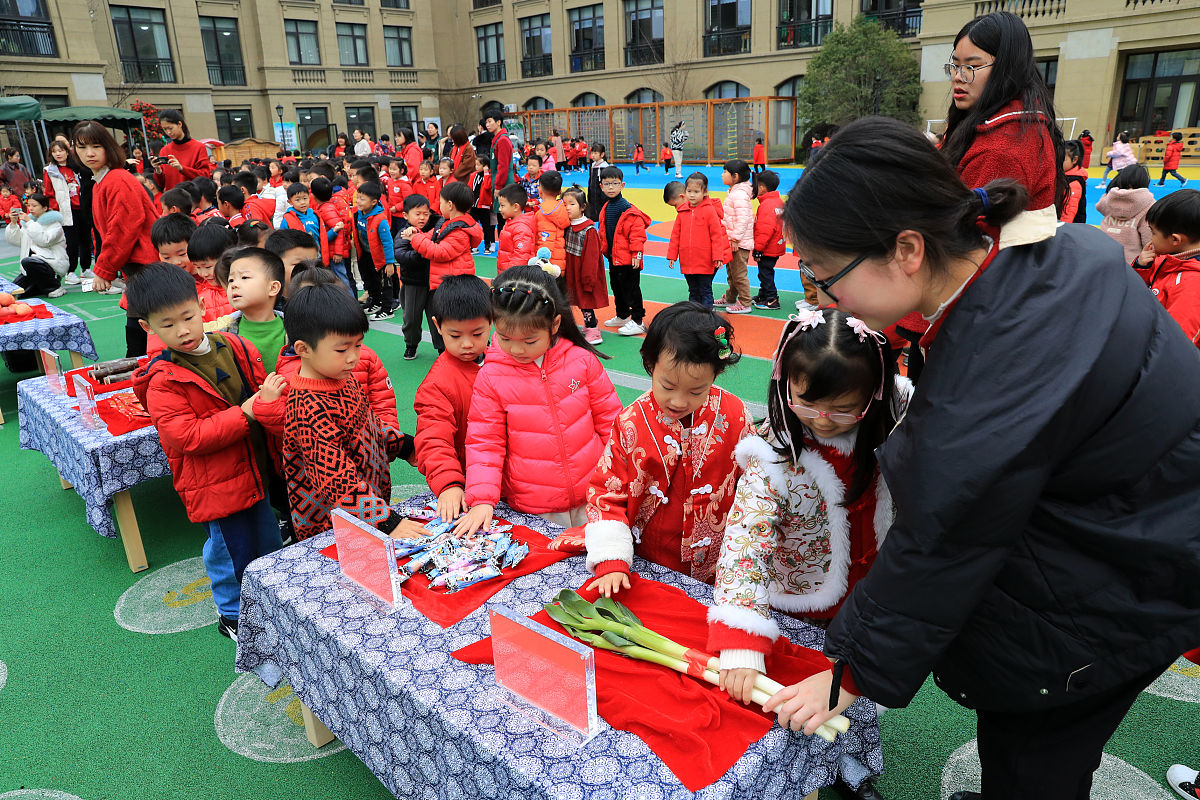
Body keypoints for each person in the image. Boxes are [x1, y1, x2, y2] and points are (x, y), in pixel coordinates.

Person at [763, 116, 1200, 800]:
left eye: (825, 274)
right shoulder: (1060, 252)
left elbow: (944, 536)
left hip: (1115, 581)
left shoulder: (988, 377)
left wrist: (849, 674)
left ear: (908, 249)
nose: (824, 296)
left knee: (1035, 750)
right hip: (1152, 527)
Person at [709, 309, 910, 682]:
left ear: (875, 394)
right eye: (805, 403)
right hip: (804, 601)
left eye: (844, 409)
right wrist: (741, 635)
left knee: (859, 683)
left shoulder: (893, 425)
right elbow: (745, 543)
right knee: (807, 682)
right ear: (783, 382)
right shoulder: (773, 457)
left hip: (873, 593)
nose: (821, 419)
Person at [129, 263, 285, 642]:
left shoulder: (233, 345)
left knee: (267, 540)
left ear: (202, 306)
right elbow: (189, 437)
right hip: (214, 484)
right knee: (229, 552)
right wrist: (246, 411)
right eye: (167, 324)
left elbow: (257, 392)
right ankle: (232, 615)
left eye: (187, 317)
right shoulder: (162, 380)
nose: (182, 330)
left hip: (254, 467)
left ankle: (273, 603)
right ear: (148, 328)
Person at [585, 302, 750, 594]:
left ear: (715, 375)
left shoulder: (735, 415)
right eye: (667, 386)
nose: (678, 401)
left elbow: (752, 485)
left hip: (720, 561)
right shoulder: (632, 422)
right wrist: (611, 558)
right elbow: (605, 492)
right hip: (650, 558)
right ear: (651, 366)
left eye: (696, 390)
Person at [454, 264, 621, 536]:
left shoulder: (582, 362)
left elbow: (611, 423)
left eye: (530, 340)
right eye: (505, 338)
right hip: (535, 506)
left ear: (554, 324)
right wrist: (482, 499)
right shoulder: (492, 376)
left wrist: (615, 478)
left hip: (593, 495)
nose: (517, 349)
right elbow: (485, 441)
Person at [277, 282, 413, 541]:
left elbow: (367, 426)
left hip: (363, 514)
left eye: (358, 345)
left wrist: (405, 446)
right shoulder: (308, 406)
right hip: (331, 528)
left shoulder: (341, 377)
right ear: (303, 349)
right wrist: (386, 522)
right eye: (342, 349)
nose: (353, 357)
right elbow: (336, 477)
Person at [940, 11, 1063, 221]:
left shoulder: (1000, 151)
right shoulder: (1020, 126)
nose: (958, 77)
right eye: (955, 65)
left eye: (973, 66)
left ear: (1007, 69)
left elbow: (966, 240)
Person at [74, 120, 159, 355]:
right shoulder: (103, 180)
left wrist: (104, 268)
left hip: (146, 266)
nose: (89, 153)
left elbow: (122, 229)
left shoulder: (117, 179)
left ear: (108, 147)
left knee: (143, 334)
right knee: (141, 331)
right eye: (81, 148)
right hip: (138, 266)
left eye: (95, 146)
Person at [414, 275, 493, 521]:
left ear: (492, 322)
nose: (467, 344)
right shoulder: (438, 383)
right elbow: (433, 439)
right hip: (471, 482)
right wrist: (449, 484)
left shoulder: (503, 361)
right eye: (455, 336)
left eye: (477, 333)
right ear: (437, 326)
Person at [403, 182, 483, 340]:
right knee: (450, 320)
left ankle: (477, 351)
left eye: (441, 202)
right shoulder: (449, 223)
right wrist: (417, 232)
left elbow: (440, 252)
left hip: (454, 284)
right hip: (448, 282)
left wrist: (415, 239)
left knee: (458, 321)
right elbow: (433, 235)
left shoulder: (459, 231)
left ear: (450, 205)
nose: (439, 206)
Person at [1134, 189, 1200, 346]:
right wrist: (1142, 266)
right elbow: (1139, 288)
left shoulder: (1192, 285)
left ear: (1175, 239)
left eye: (1153, 233)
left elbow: (1177, 343)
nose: (1150, 239)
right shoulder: (1170, 258)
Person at [597, 166, 651, 335]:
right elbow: (604, 231)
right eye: (607, 184)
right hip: (614, 258)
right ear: (601, 186)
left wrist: (637, 254)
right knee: (617, 287)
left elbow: (637, 235)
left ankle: (638, 320)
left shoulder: (627, 209)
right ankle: (622, 315)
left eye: (615, 183)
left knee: (632, 289)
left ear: (622, 185)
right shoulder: (606, 207)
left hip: (628, 260)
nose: (611, 187)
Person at [667, 172, 730, 310]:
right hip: (687, 260)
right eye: (689, 191)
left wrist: (718, 256)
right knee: (693, 291)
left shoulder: (709, 211)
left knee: (705, 290)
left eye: (696, 191)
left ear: (705, 192)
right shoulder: (682, 212)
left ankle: (707, 315)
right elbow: (675, 235)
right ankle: (694, 315)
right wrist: (672, 255)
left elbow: (716, 235)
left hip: (705, 260)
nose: (692, 195)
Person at [218, 248, 287, 373]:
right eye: (231, 280)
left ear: (273, 288)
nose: (233, 285)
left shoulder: (295, 329)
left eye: (244, 277)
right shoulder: (222, 334)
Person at [394, 193, 442, 360]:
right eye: (417, 213)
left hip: (435, 282)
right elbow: (402, 256)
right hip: (413, 283)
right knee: (412, 318)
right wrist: (423, 250)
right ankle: (411, 344)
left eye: (426, 213)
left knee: (437, 317)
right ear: (406, 215)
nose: (422, 217)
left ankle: (442, 348)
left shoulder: (435, 228)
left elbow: (442, 222)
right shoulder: (403, 233)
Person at [562, 186, 607, 345]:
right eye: (564, 204)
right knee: (571, 299)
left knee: (585, 302)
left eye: (572, 204)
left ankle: (593, 329)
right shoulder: (566, 225)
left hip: (583, 272)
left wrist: (588, 279)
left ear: (582, 207)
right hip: (570, 270)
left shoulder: (588, 229)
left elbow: (592, 258)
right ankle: (585, 327)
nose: (567, 207)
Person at [43, 140, 93, 285]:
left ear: (67, 151)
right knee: (71, 242)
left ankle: (85, 269)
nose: (58, 153)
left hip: (82, 207)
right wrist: (55, 210)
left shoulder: (76, 167)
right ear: (51, 154)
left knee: (86, 240)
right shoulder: (50, 171)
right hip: (66, 211)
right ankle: (70, 272)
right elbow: (49, 193)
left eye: (61, 150)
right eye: (55, 151)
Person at [5, 193, 67, 298]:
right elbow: (16, 241)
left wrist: (29, 222)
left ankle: (55, 286)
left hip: (51, 265)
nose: (31, 208)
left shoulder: (55, 224)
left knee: (28, 262)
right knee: (12, 292)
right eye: (29, 206)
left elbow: (44, 240)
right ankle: (40, 287)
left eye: (34, 205)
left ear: (45, 208)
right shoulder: (28, 223)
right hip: (30, 268)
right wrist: (13, 223)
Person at [354, 182, 397, 319]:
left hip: (381, 258)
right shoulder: (359, 213)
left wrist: (389, 263)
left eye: (362, 199)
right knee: (371, 281)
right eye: (358, 197)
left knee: (385, 283)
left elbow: (388, 242)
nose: (358, 201)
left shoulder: (380, 219)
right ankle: (376, 302)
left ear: (373, 202)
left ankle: (387, 309)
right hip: (366, 254)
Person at [1096, 164, 1155, 264]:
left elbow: (1100, 205)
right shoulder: (1148, 205)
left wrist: (1113, 189)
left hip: (1101, 258)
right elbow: (1149, 241)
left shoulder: (1110, 199)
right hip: (1131, 264)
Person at [718, 159, 755, 313]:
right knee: (732, 273)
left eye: (725, 172)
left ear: (735, 176)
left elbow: (744, 218)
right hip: (733, 240)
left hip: (738, 242)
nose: (722, 175)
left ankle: (745, 302)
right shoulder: (735, 192)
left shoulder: (739, 194)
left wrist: (735, 239)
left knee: (738, 274)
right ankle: (731, 297)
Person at [751, 170, 786, 310]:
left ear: (762, 187)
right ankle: (764, 294)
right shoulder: (777, 201)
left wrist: (758, 249)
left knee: (765, 273)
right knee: (765, 271)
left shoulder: (766, 205)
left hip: (768, 247)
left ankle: (772, 299)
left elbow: (765, 230)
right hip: (776, 245)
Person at [155, 109, 214, 191]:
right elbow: (161, 184)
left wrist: (182, 169)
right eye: (165, 129)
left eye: (170, 128)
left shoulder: (198, 147)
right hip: (172, 199)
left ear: (179, 124)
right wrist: (158, 171)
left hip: (193, 199)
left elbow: (205, 176)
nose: (168, 132)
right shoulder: (164, 150)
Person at [187, 221, 235, 320]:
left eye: (208, 267)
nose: (203, 274)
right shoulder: (199, 295)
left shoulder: (240, 290)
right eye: (198, 267)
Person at [264, 227, 319, 304]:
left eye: (315, 264)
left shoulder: (321, 299)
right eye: (298, 264)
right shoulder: (264, 307)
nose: (310, 269)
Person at [484, 113, 515, 226]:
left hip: (504, 184)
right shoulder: (496, 139)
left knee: (504, 215)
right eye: (486, 122)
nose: (487, 125)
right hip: (499, 182)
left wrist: (498, 186)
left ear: (498, 122)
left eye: (489, 121)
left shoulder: (502, 140)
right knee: (500, 214)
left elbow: (503, 166)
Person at [496, 183, 535, 269]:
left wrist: (510, 275)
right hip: (507, 272)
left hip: (514, 276)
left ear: (515, 207)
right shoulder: (511, 223)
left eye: (502, 205)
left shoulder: (521, 228)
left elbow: (521, 256)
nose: (499, 209)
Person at [535, 170, 568, 270]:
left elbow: (546, 241)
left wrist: (542, 263)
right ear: (560, 191)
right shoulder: (562, 207)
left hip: (548, 267)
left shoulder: (544, 212)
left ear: (540, 190)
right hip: (559, 262)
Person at [469, 159, 495, 254]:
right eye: (475, 164)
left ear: (485, 166)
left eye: (478, 165)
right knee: (473, 227)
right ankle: (474, 247)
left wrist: (486, 172)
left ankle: (487, 246)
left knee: (486, 227)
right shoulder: (473, 175)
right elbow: (469, 187)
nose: (476, 167)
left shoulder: (488, 176)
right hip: (473, 206)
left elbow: (488, 187)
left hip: (484, 206)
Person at [1060, 140, 1089, 224]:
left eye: (1063, 159)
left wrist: (1062, 230)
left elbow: (1068, 213)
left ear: (1075, 159)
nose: (1058, 162)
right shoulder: (1064, 177)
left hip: (1069, 228)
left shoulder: (1074, 183)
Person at [586, 144, 609, 221]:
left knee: (601, 210)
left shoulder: (604, 167)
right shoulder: (593, 165)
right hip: (593, 192)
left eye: (595, 153)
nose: (593, 155)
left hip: (600, 193)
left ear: (602, 154)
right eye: (592, 153)